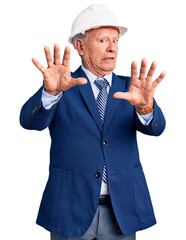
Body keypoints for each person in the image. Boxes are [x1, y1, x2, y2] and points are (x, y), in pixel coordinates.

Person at [20, 4, 166, 240]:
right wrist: (49, 94)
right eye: (103, 40)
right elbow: (29, 121)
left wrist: (145, 107)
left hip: (122, 210)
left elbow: (157, 128)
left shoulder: (133, 88)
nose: (112, 48)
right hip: (69, 208)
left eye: (115, 41)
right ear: (80, 45)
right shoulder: (61, 84)